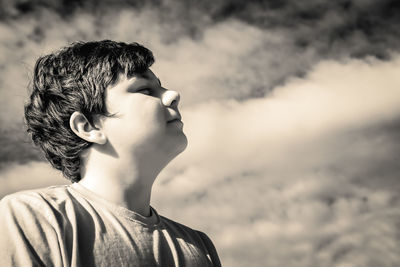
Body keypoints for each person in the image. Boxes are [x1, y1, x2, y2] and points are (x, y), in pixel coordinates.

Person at [0, 40, 221, 266]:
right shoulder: (35, 217)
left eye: (161, 86)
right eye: (145, 89)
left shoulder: (199, 247)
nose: (173, 94)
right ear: (88, 127)